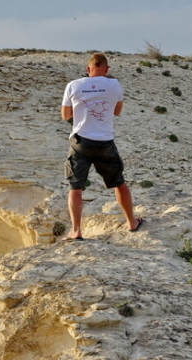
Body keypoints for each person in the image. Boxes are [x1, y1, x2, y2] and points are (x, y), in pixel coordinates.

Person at [60, 52, 143, 241]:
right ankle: (132, 222)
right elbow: (117, 111)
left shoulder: (74, 85)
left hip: (80, 141)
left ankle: (76, 231)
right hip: (105, 141)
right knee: (119, 183)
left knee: (75, 186)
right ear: (107, 69)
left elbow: (65, 115)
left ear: (88, 69)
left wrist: (81, 120)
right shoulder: (114, 84)